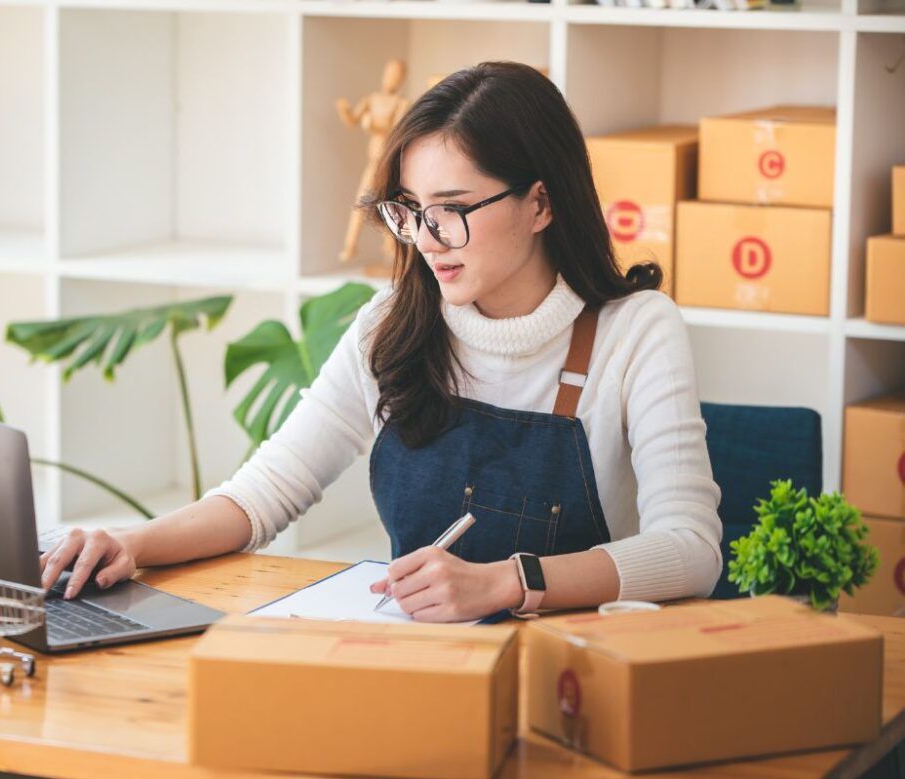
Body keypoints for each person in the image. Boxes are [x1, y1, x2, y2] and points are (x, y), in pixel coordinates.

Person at [40, 61, 723, 623]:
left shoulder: (636, 332)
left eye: (453, 211)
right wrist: (131, 542)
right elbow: (265, 493)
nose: (427, 240)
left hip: (574, 674)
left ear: (540, 204)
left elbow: (690, 550)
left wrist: (505, 584)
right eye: (411, 212)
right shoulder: (389, 324)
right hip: (415, 661)